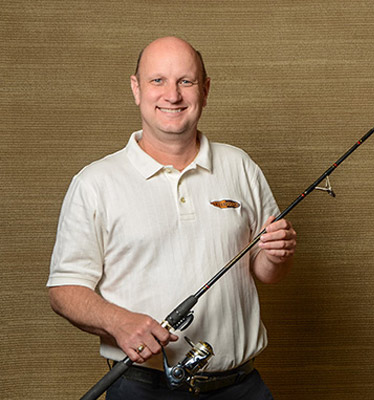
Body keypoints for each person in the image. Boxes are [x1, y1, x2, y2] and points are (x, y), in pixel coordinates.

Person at [47, 36, 296, 399]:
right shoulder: (95, 183)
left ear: (205, 89)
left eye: (186, 81)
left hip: (242, 387)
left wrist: (277, 255)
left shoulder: (240, 166)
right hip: (141, 388)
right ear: (136, 88)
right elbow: (63, 289)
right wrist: (119, 322)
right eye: (157, 80)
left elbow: (266, 271)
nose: (172, 95)